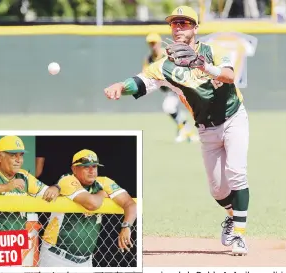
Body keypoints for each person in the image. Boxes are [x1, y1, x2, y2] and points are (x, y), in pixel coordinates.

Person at [104, 6, 250, 256]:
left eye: (185, 23)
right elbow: (140, 82)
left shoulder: (213, 50)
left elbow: (228, 76)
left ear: (195, 28)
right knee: (217, 190)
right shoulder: (163, 66)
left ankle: (240, 236)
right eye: (175, 23)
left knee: (236, 173)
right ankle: (231, 217)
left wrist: (201, 65)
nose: (179, 27)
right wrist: (121, 85)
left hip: (234, 117)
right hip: (206, 129)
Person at [39, 149, 137, 267]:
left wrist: (126, 226)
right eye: (86, 167)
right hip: (55, 256)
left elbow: (130, 204)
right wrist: (102, 194)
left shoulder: (103, 182)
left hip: (85, 261)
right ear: (74, 169)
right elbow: (92, 204)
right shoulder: (67, 180)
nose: (91, 171)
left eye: (94, 166)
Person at [0, 135, 61, 233]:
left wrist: (56, 187)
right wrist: (6, 187)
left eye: (21, 155)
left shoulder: (24, 176)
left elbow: (48, 191)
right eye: (13, 155)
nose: (19, 160)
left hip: (15, 243)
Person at [144, 32, 198, 143]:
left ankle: (188, 130)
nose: (153, 45)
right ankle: (187, 132)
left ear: (159, 43)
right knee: (173, 109)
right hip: (169, 89)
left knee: (169, 107)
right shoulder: (149, 59)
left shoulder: (167, 54)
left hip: (179, 85)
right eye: (150, 43)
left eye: (154, 42)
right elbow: (145, 74)